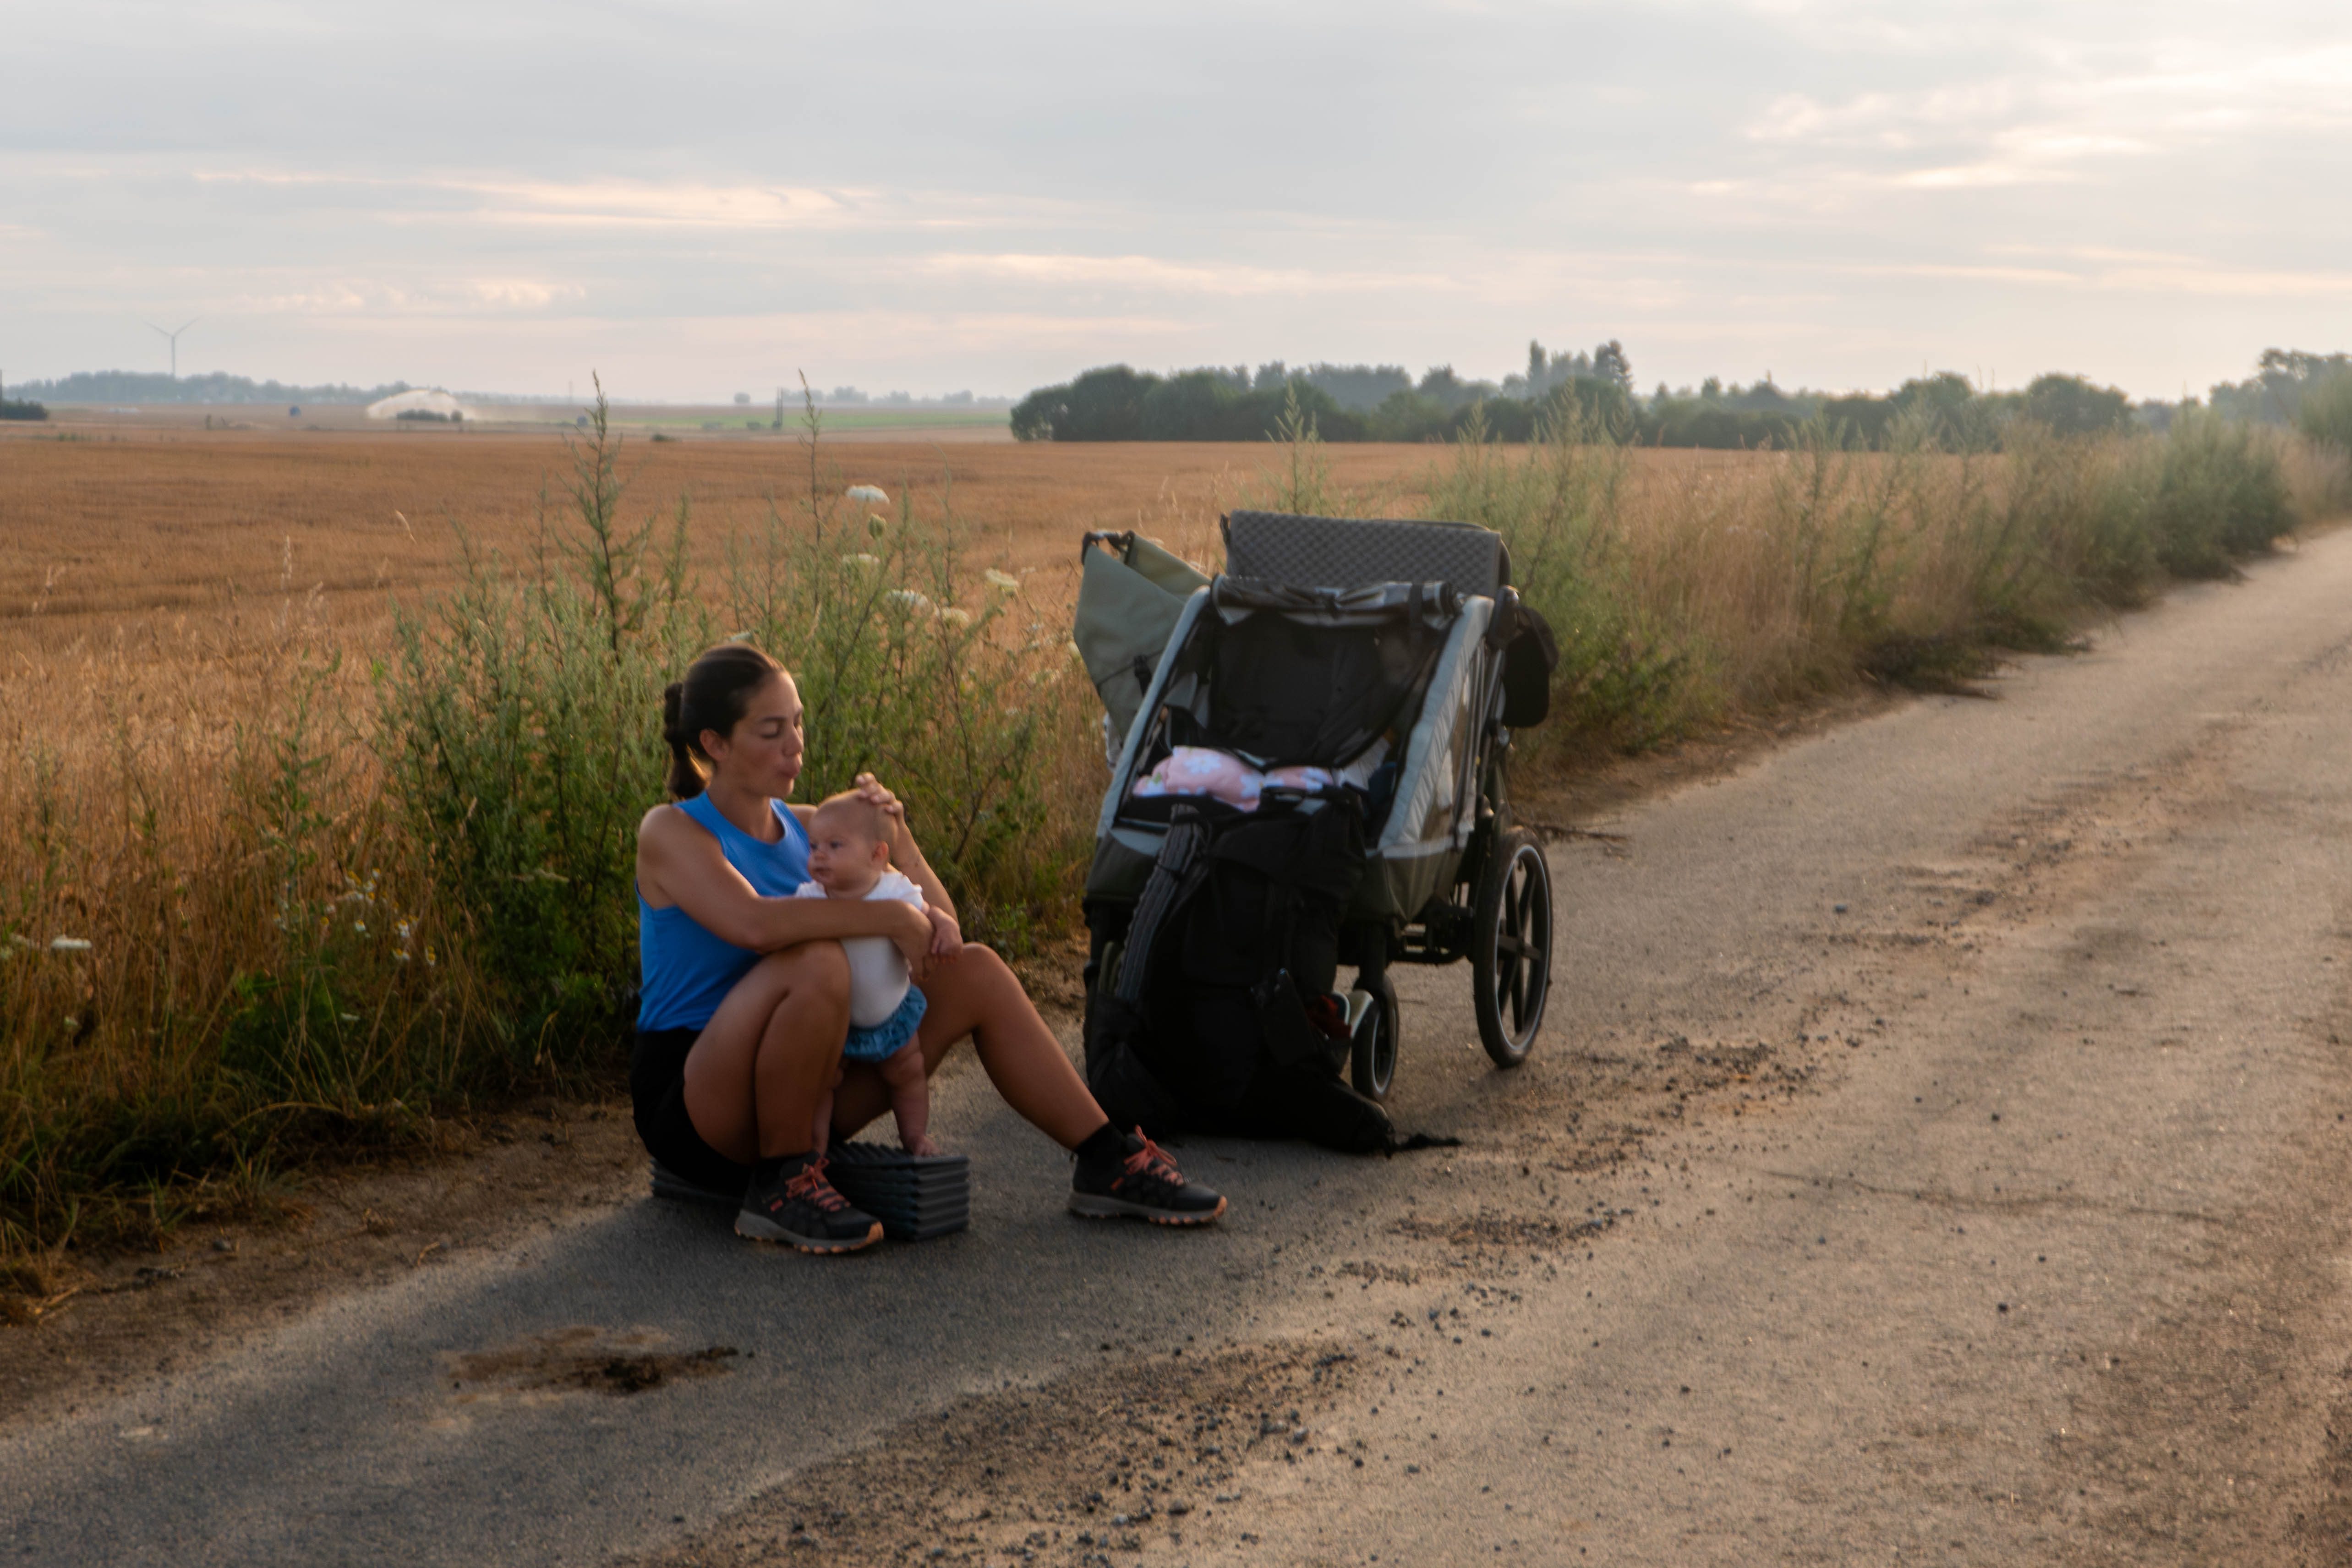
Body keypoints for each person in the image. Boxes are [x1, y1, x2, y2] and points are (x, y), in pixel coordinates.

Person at [632, 641, 1227, 1255]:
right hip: (699, 1102)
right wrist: (889, 916)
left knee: (975, 971)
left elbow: (941, 939)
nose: (795, 744)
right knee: (817, 959)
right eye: (771, 730)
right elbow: (755, 925)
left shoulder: (813, 828)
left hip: (812, 1084)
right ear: (715, 743)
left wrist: (901, 843)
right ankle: (781, 1186)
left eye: (799, 722)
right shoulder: (672, 831)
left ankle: (1106, 1159)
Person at [795, 789, 938, 1157]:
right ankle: (815, 1150)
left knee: (908, 1072)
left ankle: (915, 1136)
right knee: (822, 1082)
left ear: (877, 854)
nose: (819, 855)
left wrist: (947, 927)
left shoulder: (894, 889)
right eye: (814, 846)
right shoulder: (809, 897)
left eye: (835, 845)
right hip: (835, 1023)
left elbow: (929, 913)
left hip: (890, 1012)